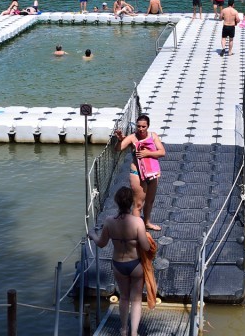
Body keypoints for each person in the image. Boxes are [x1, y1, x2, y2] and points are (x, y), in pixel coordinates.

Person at [88, 186, 151, 336]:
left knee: (123, 297)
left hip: (118, 264)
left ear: (117, 202)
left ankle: (123, 329)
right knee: (136, 299)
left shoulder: (109, 221)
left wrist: (92, 235)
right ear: (131, 202)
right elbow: (146, 247)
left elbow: (102, 243)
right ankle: (134, 332)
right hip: (135, 264)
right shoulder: (137, 222)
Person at [115, 114, 166, 231]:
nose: (141, 129)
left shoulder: (153, 136)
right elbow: (118, 149)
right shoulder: (132, 137)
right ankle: (136, 229)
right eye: (138, 126)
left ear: (148, 126)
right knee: (138, 204)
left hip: (151, 172)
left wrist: (147, 153)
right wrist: (119, 140)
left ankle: (147, 222)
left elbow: (162, 152)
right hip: (137, 173)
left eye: (143, 126)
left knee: (150, 200)